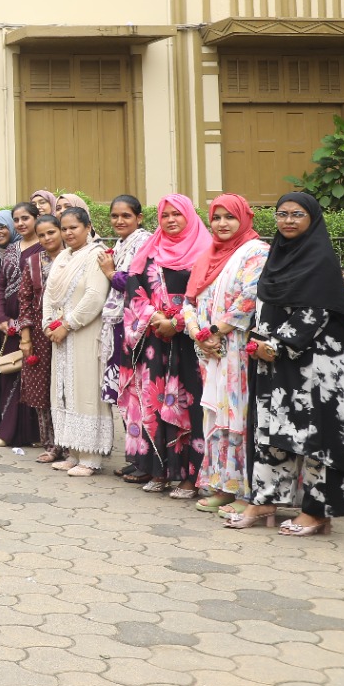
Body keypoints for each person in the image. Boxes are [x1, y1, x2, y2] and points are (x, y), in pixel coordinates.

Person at [225, 193, 344, 535]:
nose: (288, 220)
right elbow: (265, 307)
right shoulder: (277, 256)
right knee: (271, 430)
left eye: (297, 214)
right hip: (274, 361)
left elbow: (318, 311)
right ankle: (264, 500)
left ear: (312, 218)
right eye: (282, 214)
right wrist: (258, 341)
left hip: (318, 367)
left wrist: (276, 345)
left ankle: (317, 512)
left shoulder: (321, 259)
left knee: (316, 437)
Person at [179, 193, 265, 513]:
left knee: (238, 416)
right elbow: (189, 301)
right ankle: (222, 485)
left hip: (239, 351)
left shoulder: (256, 252)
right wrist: (197, 333)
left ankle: (245, 491)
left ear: (244, 218)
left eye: (230, 217)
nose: (222, 224)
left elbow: (248, 299)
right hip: (210, 353)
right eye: (216, 217)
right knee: (215, 415)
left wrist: (215, 331)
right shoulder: (208, 255)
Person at [123, 193, 210, 497]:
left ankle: (189, 478)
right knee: (154, 404)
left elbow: (208, 294)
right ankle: (159, 470)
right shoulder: (150, 250)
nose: (171, 220)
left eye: (177, 214)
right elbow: (134, 287)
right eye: (165, 215)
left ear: (189, 216)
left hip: (189, 343)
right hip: (155, 341)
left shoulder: (205, 250)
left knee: (189, 406)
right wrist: (155, 316)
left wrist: (178, 322)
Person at [42, 207, 115, 476]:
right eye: (64, 228)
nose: (68, 233)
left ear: (87, 227)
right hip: (60, 336)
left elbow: (95, 296)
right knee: (64, 391)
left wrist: (68, 324)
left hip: (84, 331)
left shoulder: (96, 254)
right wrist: (48, 324)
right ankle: (73, 452)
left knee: (86, 390)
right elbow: (49, 295)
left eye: (74, 227)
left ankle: (91, 457)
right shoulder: (63, 256)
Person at [99, 194, 151, 476]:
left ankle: (146, 461)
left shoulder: (144, 242)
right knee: (125, 394)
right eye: (115, 216)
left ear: (139, 218)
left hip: (134, 325)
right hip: (118, 324)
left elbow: (136, 281)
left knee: (137, 393)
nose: (119, 221)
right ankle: (135, 458)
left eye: (126, 216)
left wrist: (111, 274)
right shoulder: (121, 243)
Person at [0, 207, 40, 449]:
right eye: (17, 220)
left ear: (36, 219)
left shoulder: (45, 246)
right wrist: (1, 317)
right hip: (9, 324)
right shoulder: (11, 249)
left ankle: (31, 433)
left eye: (25, 218)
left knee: (32, 377)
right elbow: (1, 286)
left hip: (35, 323)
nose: (21, 223)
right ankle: (9, 430)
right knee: (9, 374)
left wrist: (26, 323)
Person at [19, 213, 61, 463]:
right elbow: (24, 300)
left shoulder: (74, 258)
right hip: (39, 334)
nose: (46, 238)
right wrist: (26, 338)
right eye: (41, 235)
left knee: (65, 389)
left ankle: (72, 445)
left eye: (51, 232)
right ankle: (51, 445)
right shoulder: (33, 262)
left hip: (69, 331)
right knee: (41, 390)